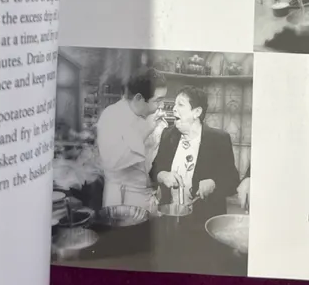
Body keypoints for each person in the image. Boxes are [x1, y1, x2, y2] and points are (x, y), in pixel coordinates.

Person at [151, 86, 240, 226]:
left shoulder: (219, 139)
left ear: (197, 112)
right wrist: (162, 175)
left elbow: (232, 180)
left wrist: (214, 183)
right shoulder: (168, 135)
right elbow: (154, 170)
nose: (174, 109)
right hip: (170, 219)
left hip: (203, 223)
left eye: (180, 104)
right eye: (175, 104)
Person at [94, 67, 168, 209]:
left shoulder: (151, 116)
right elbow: (112, 161)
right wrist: (145, 131)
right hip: (122, 199)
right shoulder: (112, 116)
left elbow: (155, 157)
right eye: (158, 100)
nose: (162, 106)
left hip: (149, 196)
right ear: (139, 98)